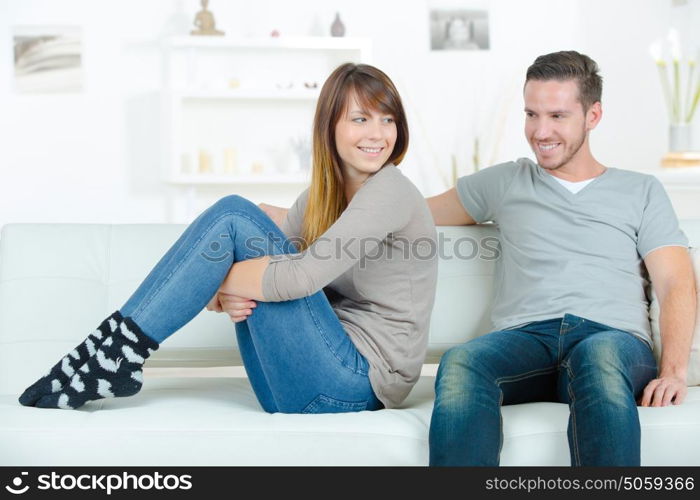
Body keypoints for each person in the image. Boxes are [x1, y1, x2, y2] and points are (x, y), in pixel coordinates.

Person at [18, 63, 438, 414]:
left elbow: (300, 278)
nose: (378, 133)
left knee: (236, 216)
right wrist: (222, 283)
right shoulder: (321, 196)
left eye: (388, 119)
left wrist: (215, 279)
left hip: (357, 385)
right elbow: (270, 265)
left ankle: (116, 350)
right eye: (361, 118)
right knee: (241, 220)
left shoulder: (391, 191)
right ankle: (113, 351)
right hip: (293, 383)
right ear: (329, 126)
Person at [426, 50, 697, 466]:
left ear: (593, 116)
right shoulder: (505, 181)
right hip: (525, 339)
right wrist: (298, 217)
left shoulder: (640, 190)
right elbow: (408, 215)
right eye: (531, 114)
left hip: (613, 340)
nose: (539, 131)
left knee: (597, 357)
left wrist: (674, 370)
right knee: (462, 361)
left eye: (556, 116)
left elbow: (676, 282)